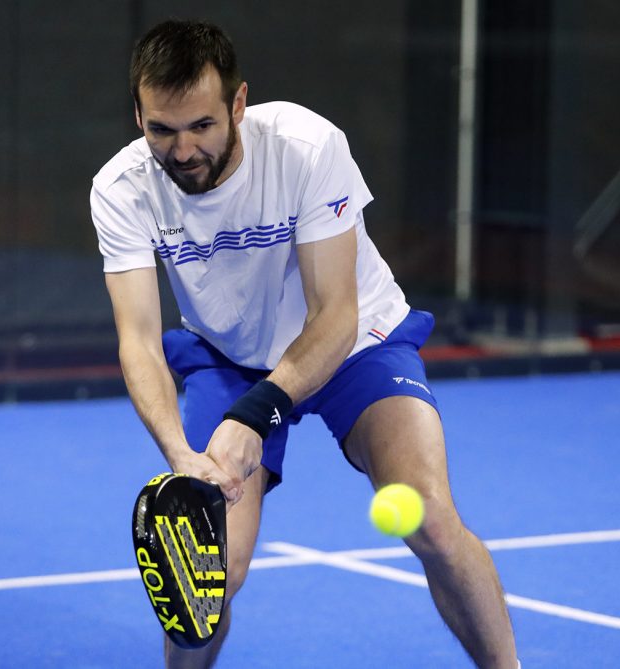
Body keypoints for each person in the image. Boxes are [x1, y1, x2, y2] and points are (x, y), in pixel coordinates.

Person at [90, 19, 520, 669]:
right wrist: (183, 455)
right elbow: (140, 342)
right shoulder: (121, 188)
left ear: (238, 103)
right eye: (161, 130)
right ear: (139, 115)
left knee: (430, 518)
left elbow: (336, 314)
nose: (182, 151)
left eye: (201, 126)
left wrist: (256, 414)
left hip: (353, 344)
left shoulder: (307, 145)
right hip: (229, 356)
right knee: (208, 571)